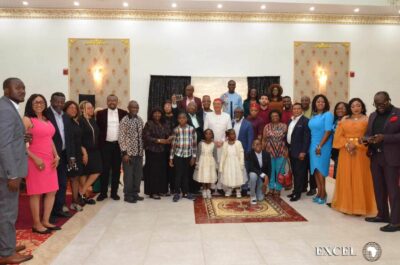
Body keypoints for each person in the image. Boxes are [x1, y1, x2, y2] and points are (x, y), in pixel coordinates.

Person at [0, 78, 33, 265]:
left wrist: (21, 137)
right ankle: (6, 254)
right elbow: (3, 144)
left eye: (24, 87)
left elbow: (7, 137)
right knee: (7, 212)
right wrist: (12, 174)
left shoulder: (8, 106)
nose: (22, 90)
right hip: (7, 172)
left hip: (8, 169)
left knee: (6, 210)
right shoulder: (5, 109)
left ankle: (7, 245)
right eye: (17, 87)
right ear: (6, 90)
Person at [330, 98, 377, 216]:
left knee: (359, 178)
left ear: (362, 107)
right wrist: (347, 144)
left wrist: (355, 144)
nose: (356, 108)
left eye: (358, 105)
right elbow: (337, 137)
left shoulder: (367, 120)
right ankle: (346, 205)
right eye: (353, 106)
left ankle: (359, 207)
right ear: (349, 108)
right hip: (345, 152)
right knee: (346, 177)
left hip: (361, 152)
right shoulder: (344, 120)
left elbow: (369, 137)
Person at [23, 94, 61, 234]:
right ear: (30, 104)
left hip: (49, 161)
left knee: (52, 191)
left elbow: (49, 139)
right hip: (35, 161)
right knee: (36, 193)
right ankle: (36, 224)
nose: (39, 104)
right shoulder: (27, 119)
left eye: (41, 102)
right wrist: (34, 158)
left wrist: (56, 155)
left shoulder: (46, 119)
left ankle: (45, 220)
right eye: (36, 102)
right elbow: (19, 142)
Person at [364, 91, 400, 232]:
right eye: (376, 104)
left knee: (393, 190)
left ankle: (396, 221)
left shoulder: (398, 114)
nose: (379, 106)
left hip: (391, 158)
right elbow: (368, 132)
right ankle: (382, 215)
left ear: (389, 100)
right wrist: (366, 138)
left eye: (382, 103)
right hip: (375, 156)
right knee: (379, 188)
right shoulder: (373, 115)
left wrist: (384, 137)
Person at [46, 92, 75, 220]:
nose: (59, 104)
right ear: (51, 101)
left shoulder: (66, 117)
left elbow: (70, 138)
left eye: (62, 102)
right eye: (56, 101)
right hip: (50, 156)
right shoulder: (46, 115)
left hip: (63, 155)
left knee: (62, 183)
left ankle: (58, 209)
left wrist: (71, 157)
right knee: (50, 186)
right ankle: (49, 213)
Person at [96, 95, 128, 201]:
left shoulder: (124, 113)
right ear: (107, 102)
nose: (112, 102)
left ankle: (114, 193)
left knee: (116, 170)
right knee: (104, 170)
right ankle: (103, 193)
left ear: (117, 102)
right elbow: (98, 130)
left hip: (118, 146)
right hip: (105, 145)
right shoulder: (100, 114)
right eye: (109, 100)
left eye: (114, 100)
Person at [308, 94, 334, 205]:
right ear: (314, 104)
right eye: (318, 101)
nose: (320, 103)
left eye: (322, 102)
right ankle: (319, 192)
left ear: (326, 103)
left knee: (321, 170)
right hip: (313, 144)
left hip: (323, 145)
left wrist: (320, 146)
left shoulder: (328, 115)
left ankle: (324, 194)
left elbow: (328, 131)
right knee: (316, 170)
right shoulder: (314, 116)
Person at [203, 99, 232, 193]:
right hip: (211, 144)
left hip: (223, 145)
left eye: (218, 104)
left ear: (222, 105)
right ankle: (211, 185)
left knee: (221, 165)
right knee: (211, 165)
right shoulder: (208, 115)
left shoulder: (227, 116)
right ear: (213, 105)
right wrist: (213, 141)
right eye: (215, 104)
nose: (217, 106)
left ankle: (220, 185)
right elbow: (205, 129)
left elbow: (229, 131)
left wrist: (222, 141)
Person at [118, 101, 145, 204]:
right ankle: (127, 195)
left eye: (137, 107)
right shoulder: (124, 120)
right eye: (133, 107)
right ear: (128, 108)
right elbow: (121, 137)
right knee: (128, 175)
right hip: (128, 154)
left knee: (138, 175)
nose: (135, 109)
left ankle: (135, 193)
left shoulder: (140, 120)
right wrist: (124, 153)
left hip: (139, 153)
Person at [143, 108, 172, 199]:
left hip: (163, 151)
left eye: (159, 113)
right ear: (152, 114)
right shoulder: (149, 123)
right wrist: (159, 140)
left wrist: (170, 138)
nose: (157, 115)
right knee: (153, 172)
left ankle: (161, 190)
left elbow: (168, 133)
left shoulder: (164, 123)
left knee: (162, 171)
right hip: (152, 151)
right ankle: (153, 192)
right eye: (155, 113)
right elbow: (146, 137)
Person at [169, 112, 197, 202]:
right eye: (180, 118)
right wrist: (171, 158)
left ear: (186, 119)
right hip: (178, 155)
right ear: (178, 120)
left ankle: (185, 192)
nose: (182, 120)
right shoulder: (175, 130)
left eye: (184, 118)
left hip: (188, 155)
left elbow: (194, 144)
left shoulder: (191, 129)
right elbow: (173, 145)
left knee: (186, 174)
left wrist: (193, 157)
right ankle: (177, 193)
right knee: (178, 175)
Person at [79, 101, 102, 205]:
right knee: (84, 173)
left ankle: (82, 191)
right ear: (82, 109)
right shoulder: (80, 121)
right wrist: (84, 153)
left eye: (92, 107)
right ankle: (84, 196)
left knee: (97, 170)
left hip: (95, 150)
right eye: (88, 108)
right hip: (85, 151)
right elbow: (79, 138)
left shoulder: (92, 120)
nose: (91, 109)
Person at [286, 103, 311, 202]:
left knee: (299, 172)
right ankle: (297, 190)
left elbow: (306, 138)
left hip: (300, 151)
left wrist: (303, 151)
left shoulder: (305, 121)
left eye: (298, 109)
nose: (296, 110)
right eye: (294, 108)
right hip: (292, 150)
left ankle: (297, 193)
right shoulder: (291, 120)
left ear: (302, 110)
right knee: (295, 172)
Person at [63, 101, 84, 212]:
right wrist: (71, 157)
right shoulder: (64, 121)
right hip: (67, 155)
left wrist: (82, 153)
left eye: (75, 108)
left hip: (76, 154)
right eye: (70, 107)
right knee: (65, 180)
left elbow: (78, 141)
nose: (73, 110)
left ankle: (74, 202)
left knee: (75, 178)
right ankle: (62, 204)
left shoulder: (75, 122)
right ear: (65, 109)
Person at [262, 110, 288, 197]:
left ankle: (278, 188)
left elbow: (283, 137)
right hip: (269, 152)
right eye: (273, 116)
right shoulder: (267, 126)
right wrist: (263, 150)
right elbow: (264, 139)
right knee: (271, 171)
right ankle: (271, 187)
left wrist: (287, 150)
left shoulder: (284, 126)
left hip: (281, 151)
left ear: (279, 116)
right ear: (270, 117)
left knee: (280, 171)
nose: (274, 117)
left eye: (276, 116)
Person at [219, 129, 247, 198]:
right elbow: (223, 155)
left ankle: (238, 190)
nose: (233, 135)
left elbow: (241, 153)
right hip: (228, 163)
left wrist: (241, 163)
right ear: (228, 136)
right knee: (229, 176)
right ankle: (229, 189)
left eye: (234, 134)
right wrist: (221, 165)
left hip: (236, 162)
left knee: (237, 176)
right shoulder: (225, 144)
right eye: (231, 134)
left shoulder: (238, 143)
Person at [193, 129, 218, 199]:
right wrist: (197, 163)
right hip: (202, 161)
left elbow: (215, 155)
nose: (208, 135)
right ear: (204, 135)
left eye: (210, 134)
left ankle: (208, 190)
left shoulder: (213, 144)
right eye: (206, 134)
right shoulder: (201, 143)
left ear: (212, 135)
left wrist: (216, 164)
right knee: (203, 176)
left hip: (210, 161)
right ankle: (204, 189)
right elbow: (198, 154)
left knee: (209, 176)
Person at [247, 138, 271, 204]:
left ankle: (257, 189)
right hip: (255, 174)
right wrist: (263, 175)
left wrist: (266, 182)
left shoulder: (266, 154)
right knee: (252, 176)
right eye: (256, 144)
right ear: (253, 146)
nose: (258, 146)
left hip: (262, 178)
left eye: (259, 144)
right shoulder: (250, 154)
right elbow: (251, 167)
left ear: (262, 145)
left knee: (260, 198)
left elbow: (269, 168)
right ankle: (252, 195)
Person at [331, 102, 349, 179]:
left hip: (344, 149)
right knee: (337, 171)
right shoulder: (334, 120)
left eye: (342, 108)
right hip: (335, 149)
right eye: (338, 108)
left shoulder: (349, 120)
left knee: (341, 172)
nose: (340, 110)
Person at [163, 100, 176, 195]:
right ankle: (164, 187)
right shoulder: (161, 118)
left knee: (173, 168)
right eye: (165, 106)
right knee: (164, 167)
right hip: (163, 146)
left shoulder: (176, 117)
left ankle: (173, 187)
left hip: (175, 145)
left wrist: (173, 136)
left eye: (169, 105)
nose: (167, 107)